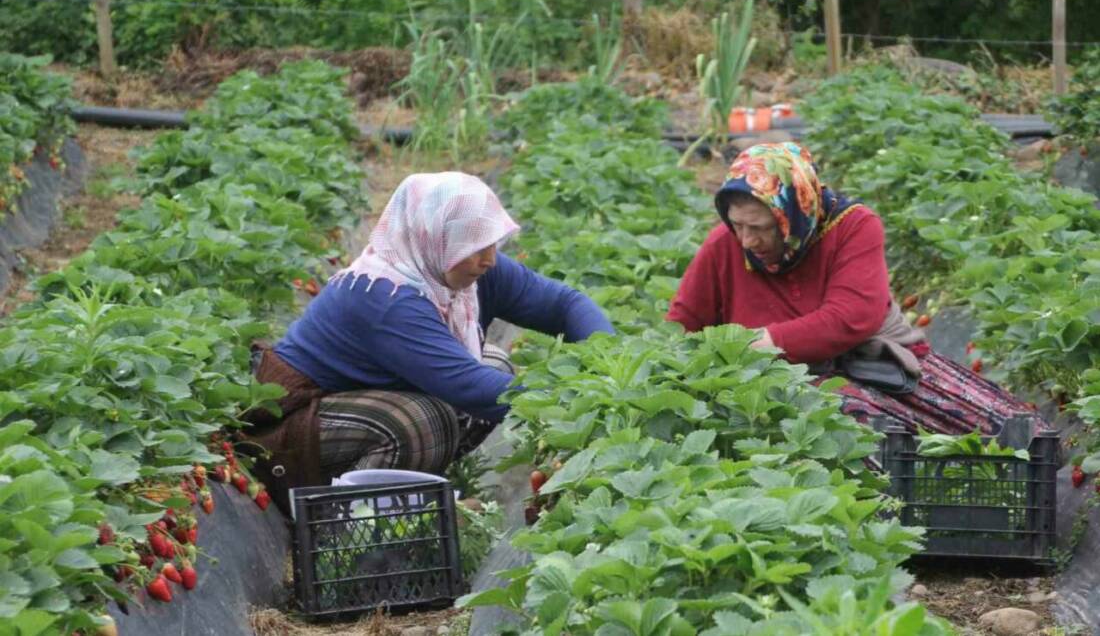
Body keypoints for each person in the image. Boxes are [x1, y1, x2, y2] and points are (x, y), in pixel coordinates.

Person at [246, 172, 614, 511]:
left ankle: (418, 497)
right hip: (292, 431)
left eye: (490, 242)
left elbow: (565, 305)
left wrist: (609, 363)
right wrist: (576, 399)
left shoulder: (465, 269)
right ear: (435, 237)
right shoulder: (386, 296)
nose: (488, 259)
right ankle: (352, 522)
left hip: (357, 405)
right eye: (473, 245)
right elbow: (469, 386)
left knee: (494, 364)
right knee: (423, 423)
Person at [668, 142, 1043, 439]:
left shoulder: (853, 226)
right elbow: (682, 325)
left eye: (761, 227)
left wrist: (757, 343)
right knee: (855, 432)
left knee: (1018, 435)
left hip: (871, 363)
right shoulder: (724, 245)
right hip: (773, 386)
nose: (747, 240)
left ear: (793, 214)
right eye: (737, 225)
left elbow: (852, 317)